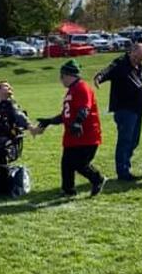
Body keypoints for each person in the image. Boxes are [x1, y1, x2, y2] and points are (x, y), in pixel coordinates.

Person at [35, 59, 105, 197]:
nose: (61, 80)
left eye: (62, 76)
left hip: (86, 135)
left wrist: (78, 122)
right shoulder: (72, 90)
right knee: (66, 163)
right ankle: (68, 190)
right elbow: (65, 115)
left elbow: (85, 108)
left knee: (79, 163)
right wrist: (49, 121)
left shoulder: (82, 88)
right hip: (72, 135)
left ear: (68, 75)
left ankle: (97, 178)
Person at [93, 41, 142, 181]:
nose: (138, 59)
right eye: (137, 56)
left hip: (137, 110)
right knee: (125, 140)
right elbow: (108, 70)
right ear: (131, 51)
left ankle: (125, 166)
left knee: (134, 141)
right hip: (124, 109)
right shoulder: (121, 63)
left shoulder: (139, 67)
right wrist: (99, 77)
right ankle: (123, 172)